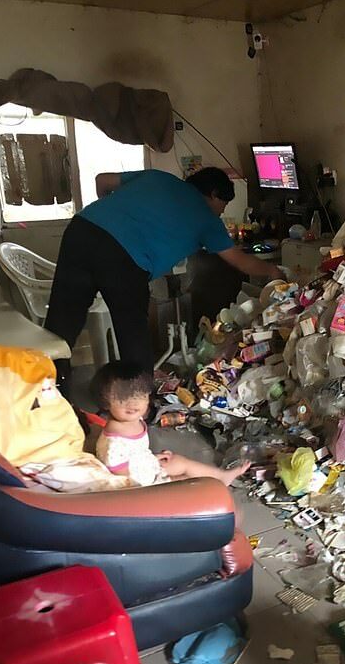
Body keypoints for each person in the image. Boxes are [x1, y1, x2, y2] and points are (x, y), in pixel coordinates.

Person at [45, 167, 282, 396]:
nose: (222, 211)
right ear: (214, 194)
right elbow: (240, 261)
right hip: (125, 259)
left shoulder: (158, 178)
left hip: (82, 230)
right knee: (133, 334)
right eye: (224, 204)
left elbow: (103, 180)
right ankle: (139, 404)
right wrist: (272, 270)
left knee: (62, 322)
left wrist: (114, 217)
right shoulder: (206, 219)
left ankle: (47, 394)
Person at [91, 361, 250, 487]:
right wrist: (155, 474)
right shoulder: (114, 442)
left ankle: (221, 477)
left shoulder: (134, 419)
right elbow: (122, 479)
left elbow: (136, 454)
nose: (132, 404)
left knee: (181, 463)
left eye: (139, 396)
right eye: (122, 399)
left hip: (148, 469)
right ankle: (212, 486)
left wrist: (154, 458)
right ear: (105, 402)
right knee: (187, 481)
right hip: (142, 485)